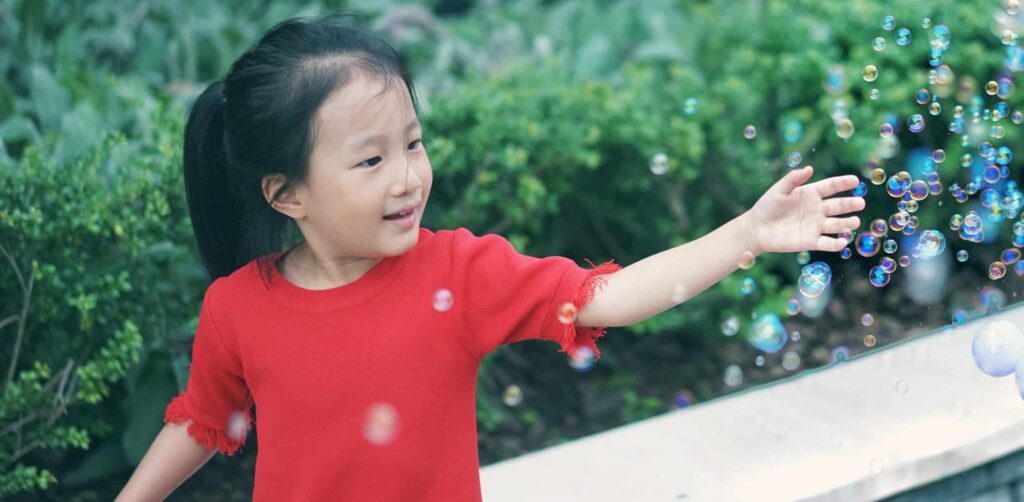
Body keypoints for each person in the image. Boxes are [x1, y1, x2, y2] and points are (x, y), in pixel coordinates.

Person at [116, 12, 864, 502]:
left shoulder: (459, 275)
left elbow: (609, 297)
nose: (409, 175)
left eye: (412, 143)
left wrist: (745, 235)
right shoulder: (239, 307)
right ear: (287, 196)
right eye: (369, 161)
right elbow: (203, 421)